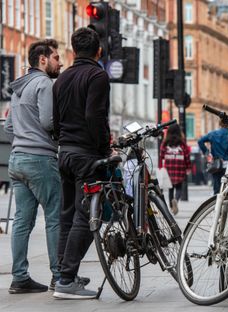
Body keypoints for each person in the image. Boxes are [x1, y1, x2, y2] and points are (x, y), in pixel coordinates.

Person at [52, 27, 111, 299]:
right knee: (87, 215)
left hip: (64, 153)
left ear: (73, 52)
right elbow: (94, 117)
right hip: (86, 155)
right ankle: (66, 279)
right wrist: (104, 149)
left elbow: (54, 120)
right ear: (98, 51)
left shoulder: (61, 80)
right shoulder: (97, 75)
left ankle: (62, 275)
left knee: (67, 216)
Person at [3, 39, 63, 293]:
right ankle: (60, 276)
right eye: (56, 58)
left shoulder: (18, 88)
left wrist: (25, 135)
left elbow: (8, 127)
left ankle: (19, 278)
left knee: (22, 221)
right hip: (39, 159)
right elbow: (49, 121)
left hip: (17, 160)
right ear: (43, 60)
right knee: (54, 217)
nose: (59, 62)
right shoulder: (43, 83)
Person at [198, 119, 228, 194]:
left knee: (216, 187)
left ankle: (217, 203)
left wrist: (206, 153)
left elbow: (200, 141)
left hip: (217, 164)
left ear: (220, 124)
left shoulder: (213, 134)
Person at [160, 124, 191, 214]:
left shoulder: (165, 143)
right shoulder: (182, 143)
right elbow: (187, 156)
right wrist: (188, 167)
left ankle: (171, 206)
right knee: (179, 188)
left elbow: (161, 155)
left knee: (170, 188)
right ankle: (176, 201)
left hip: (169, 168)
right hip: (180, 168)